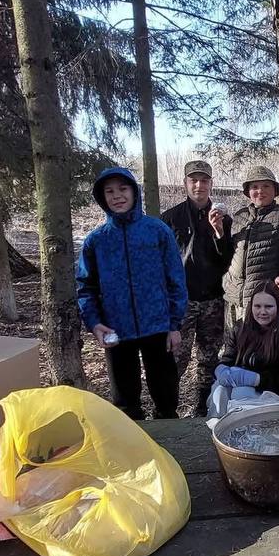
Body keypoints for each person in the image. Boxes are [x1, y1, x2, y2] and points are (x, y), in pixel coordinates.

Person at [76, 166, 187, 420]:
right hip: (116, 330)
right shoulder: (96, 241)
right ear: (102, 197)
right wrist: (94, 323)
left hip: (158, 326)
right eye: (110, 191)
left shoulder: (157, 231)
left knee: (166, 395)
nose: (117, 196)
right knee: (125, 402)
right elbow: (86, 286)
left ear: (134, 192)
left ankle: (170, 444)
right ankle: (133, 449)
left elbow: (176, 279)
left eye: (123, 189)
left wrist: (174, 324)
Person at [162, 159, 233, 415]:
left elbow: (228, 260)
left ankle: (202, 412)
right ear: (185, 184)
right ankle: (168, 411)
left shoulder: (223, 217)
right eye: (194, 180)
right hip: (182, 301)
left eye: (204, 180)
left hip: (213, 300)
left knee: (208, 359)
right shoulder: (170, 218)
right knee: (175, 360)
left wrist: (219, 233)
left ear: (211, 184)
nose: (199, 185)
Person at [224, 165, 279, 326]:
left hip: (262, 299)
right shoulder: (239, 216)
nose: (260, 191)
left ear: (275, 190)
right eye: (255, 187)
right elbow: (228, 253)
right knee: (234, 345)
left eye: (266, 186)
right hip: (234, 296)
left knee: (260, 346)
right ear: (248, 191)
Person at [215, 280, 279, 397]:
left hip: (269, 392)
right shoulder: (240, 328)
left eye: (269, 307)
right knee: (219, 390)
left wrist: (257, 379)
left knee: (241, 393)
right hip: (235, 384)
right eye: (257, 306)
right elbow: (228, 358)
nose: (262, 312)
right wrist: (221, 369)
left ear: (278, 307)